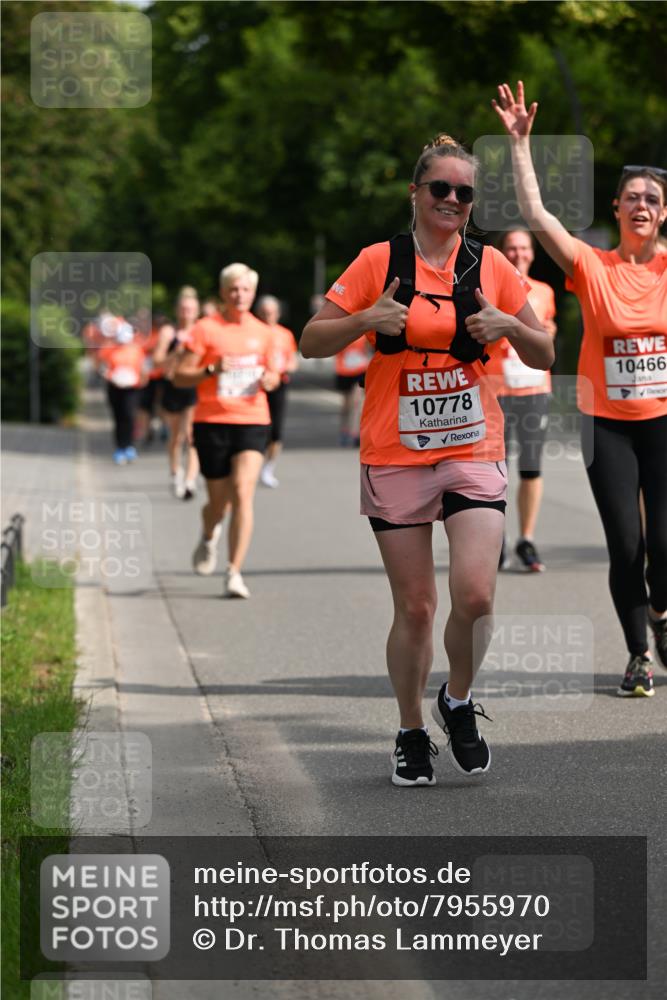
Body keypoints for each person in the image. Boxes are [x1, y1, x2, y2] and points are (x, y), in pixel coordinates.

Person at [301, 134, 553, 785]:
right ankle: (411, 728)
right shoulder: (376, 262)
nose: (451, 200)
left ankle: (457, 699)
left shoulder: (490, 265)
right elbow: (309, 342)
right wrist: (365, 319)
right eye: (439, 188)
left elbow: (545, 353)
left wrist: (511, 327)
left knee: (474, 592)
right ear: (415, 193)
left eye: (463, 193)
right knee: (414, 606)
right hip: (396, 452)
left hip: (472, 445)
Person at [493, 81, 667, 697]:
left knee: (664, 549)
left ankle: (663, 611)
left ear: (664, 212)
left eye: (652, 199)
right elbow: (538, 216)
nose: (641, 205)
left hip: (664, 422)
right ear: (615, 209)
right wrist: (520, 145)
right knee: (626, 544)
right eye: (631, 199)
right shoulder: (592, 266)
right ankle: (639, 655)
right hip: (607, 423)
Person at [173, 263, 280, 598]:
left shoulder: (264, 332)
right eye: (233, 289)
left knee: (243, 492)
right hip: (212, 421)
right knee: (219, 504)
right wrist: (210, 368)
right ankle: (208, 535)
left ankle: (234, 572)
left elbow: (274, 374)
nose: (240, 294)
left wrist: (269, 379)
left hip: (251, 419)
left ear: (253, 293)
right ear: (223, 292)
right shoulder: (205, 329)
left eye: (246, 289)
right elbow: (179, 376)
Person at [486, 229, 558, 571]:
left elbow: (547, 335)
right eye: (511, 248)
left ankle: (526, 540)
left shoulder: (544, 291)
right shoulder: (489, 289)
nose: (518, 254)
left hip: (534, 390)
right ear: (502, 253)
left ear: (532, 253)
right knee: (494, 470)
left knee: (531, 468)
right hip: (496, 390)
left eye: (524, 248)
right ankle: (494, 540)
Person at [152, 287, 201, 499]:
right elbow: (157, 361)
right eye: (183, 309)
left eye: (190, 309)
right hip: (173, 387)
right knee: (176, 437)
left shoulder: (202, 331)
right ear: (177, 310)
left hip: (195, 387)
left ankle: (190, 481)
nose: (186, 313)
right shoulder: (168, 332)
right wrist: (176, 353)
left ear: (197, 310)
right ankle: (175, 472)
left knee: (191, 436)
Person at [255, 294, 299, 488]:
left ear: (278, 313)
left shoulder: (285, 334)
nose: (267, 315)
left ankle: (268, 468)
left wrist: (283, 369)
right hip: (257, 385)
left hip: (279, 383)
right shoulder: (254, 332)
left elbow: (293, 360)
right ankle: (252, 464)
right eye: (264, 312)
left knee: (276, 431)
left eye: (271, 312)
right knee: (259, 428)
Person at [97, 318, 146, 465]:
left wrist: (142, 379)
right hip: (115, 387)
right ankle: (120, 447)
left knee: (129, 416)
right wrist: (109, 375)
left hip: (132, 388)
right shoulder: (109, 348)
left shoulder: (136, 349)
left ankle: (129, 446)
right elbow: (102, 366)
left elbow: (143, 367)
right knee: (119, 418)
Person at [334, 336, 372, 446]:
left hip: (360, 370)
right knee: (346, 404)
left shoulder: (364, 333)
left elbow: (369, 349)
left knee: (357, 401)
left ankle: (356, 433)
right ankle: (344, 430)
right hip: (344, 371)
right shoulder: (342, 331)